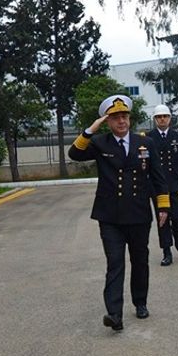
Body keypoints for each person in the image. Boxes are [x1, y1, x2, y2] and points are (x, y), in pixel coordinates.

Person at [69, 94, 170, 332]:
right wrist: (92, 128)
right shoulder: (101, 143)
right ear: (108, 121)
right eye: (115, 118)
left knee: (140, 260)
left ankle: (140, 302)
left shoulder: (145, 143)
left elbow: (158, 177)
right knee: (115, 263)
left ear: (130, 119)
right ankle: (114, 313)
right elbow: (74, 154)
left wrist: (163, 206)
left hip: (138, 213)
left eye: (124, 116)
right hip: (110, 216)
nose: (121, 121)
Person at [148, 105, 178, 267]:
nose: (162, 119)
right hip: (158, 187)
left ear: (169, 118)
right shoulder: (148, 138)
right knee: (163, 220)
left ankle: (177, 232)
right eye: (159, 117)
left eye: (165, 116)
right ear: (155, 119)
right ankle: (166, 252)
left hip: (176, 185)